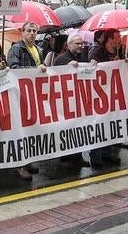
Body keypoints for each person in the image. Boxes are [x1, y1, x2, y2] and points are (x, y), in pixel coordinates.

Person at [7, 21, 46, 179]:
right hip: (19, 95)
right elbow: (14, 69)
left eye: (34, 31)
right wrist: (34, 71)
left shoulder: (38, 49)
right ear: (22, 32)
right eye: (29, 30)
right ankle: (20, 165)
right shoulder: (16, 49)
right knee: (20, 131)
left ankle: (28, 161)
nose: (32, 33)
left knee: (30, 130)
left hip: (33, 95)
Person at [87, 29, 123, 168]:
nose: (120, 39)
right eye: (117, 37)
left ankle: (107, 154)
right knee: (99, 125)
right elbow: (91, 68)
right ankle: (95, 156)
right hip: (98, 95)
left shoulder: (117, 52)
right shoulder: (96, 52)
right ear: (110, 39)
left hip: (112, 94)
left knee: (110, 124)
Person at [54, 34, 91, 167]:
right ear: (68, 45)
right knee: (67, 129)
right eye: (77, 43)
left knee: (79, 129)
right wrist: (67, 67)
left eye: (81, 43)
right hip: (65, 102)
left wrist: (92, 65)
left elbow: (88, 74)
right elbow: (54, 78)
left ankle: (78, 157)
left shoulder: (83, 57)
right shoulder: (61, 59)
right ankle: (65, 158)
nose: (81, 46)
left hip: (80, 99)